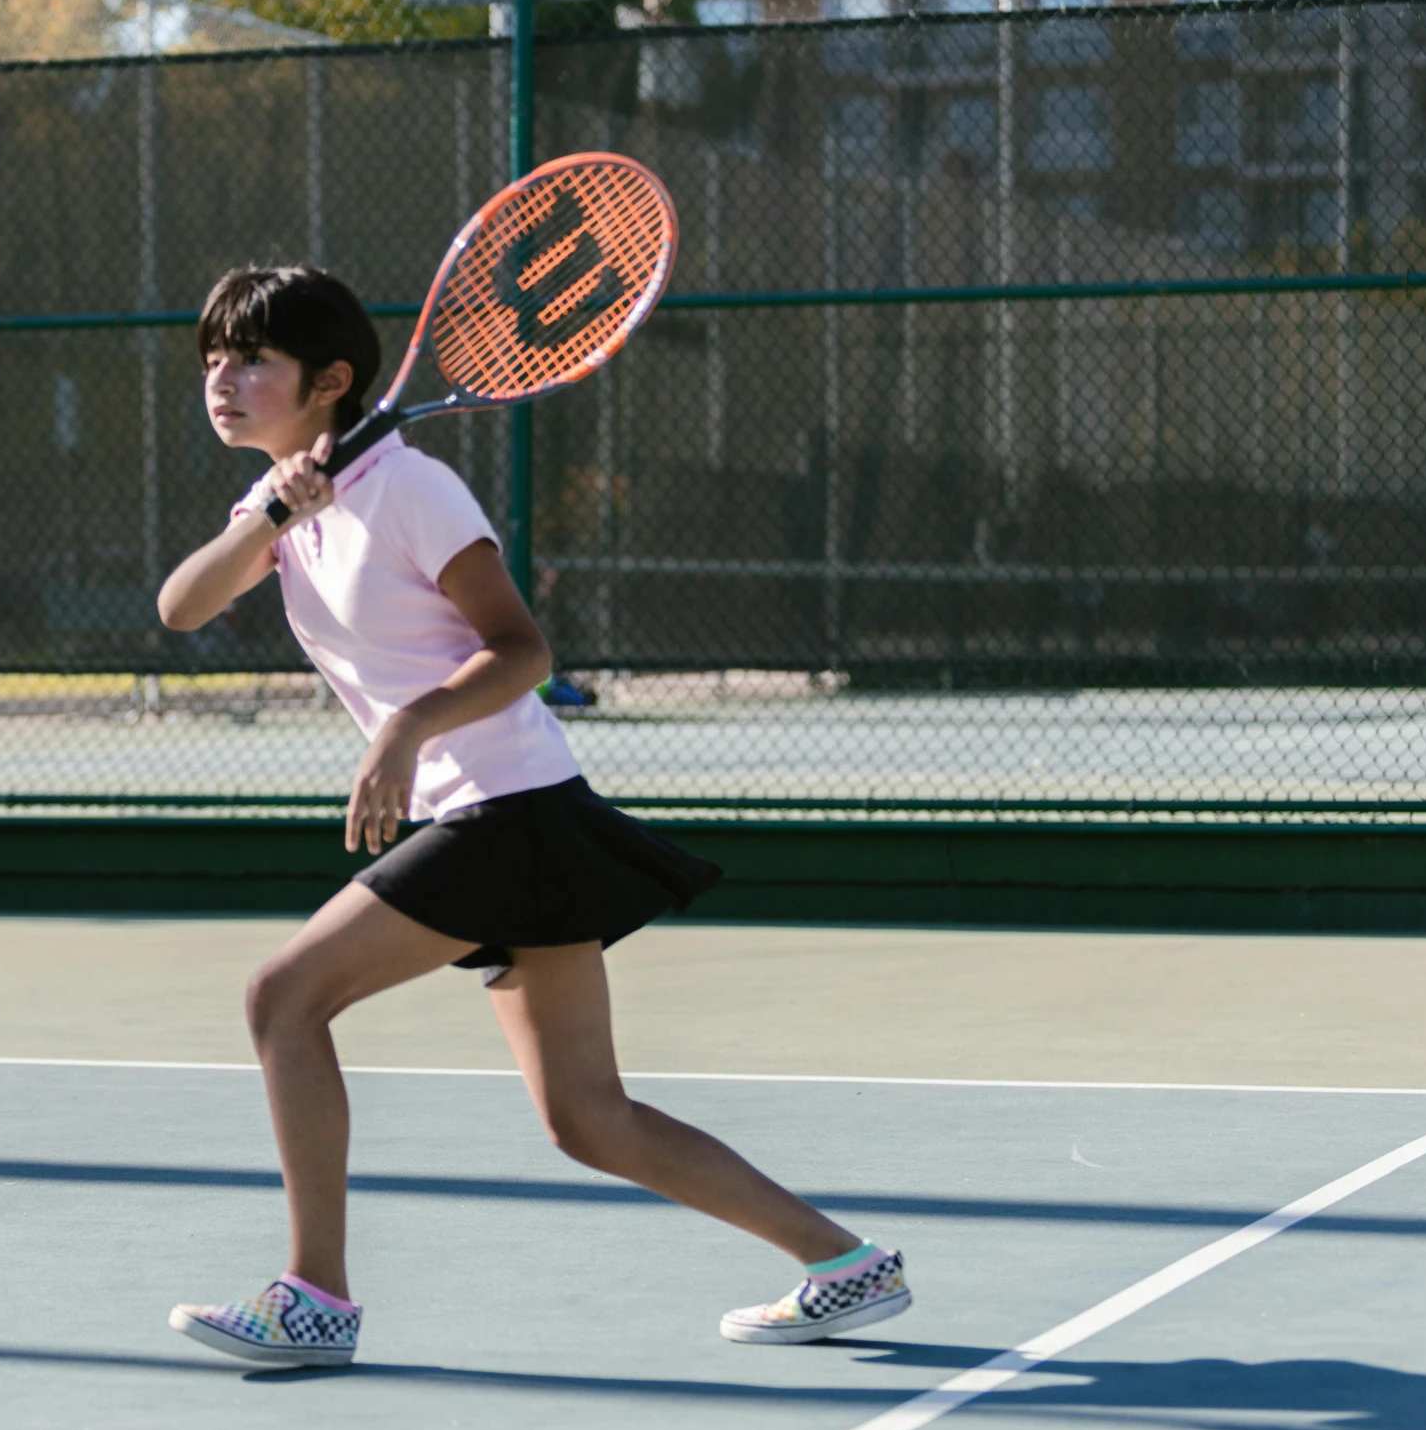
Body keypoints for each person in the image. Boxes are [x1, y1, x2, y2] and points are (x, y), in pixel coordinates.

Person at [155, 265, 909, 1368]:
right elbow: (182, 606)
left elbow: (523, 652)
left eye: (251, 360)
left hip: (502, 810)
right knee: (586, 1117)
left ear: (331, 381)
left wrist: (407, 728)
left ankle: (314, 1295)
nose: (221, 379)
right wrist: (272, 510)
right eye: (211, 358)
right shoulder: (287, 505)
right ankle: (845, 1261)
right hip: (505, 816)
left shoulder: (412, 492)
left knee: (283, 997)